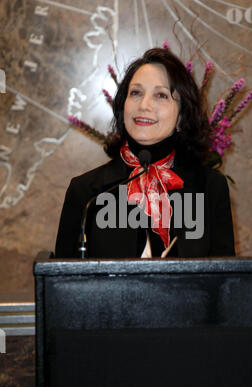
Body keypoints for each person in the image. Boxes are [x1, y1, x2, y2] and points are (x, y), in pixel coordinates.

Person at [55, 48, 235, 258]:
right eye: (136, 93)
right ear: (123, 108)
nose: (144, 105)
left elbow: (226, 282)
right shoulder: (86, 194)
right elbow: (61, 282)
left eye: (161, 95)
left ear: (182, 115)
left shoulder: (210, 188)